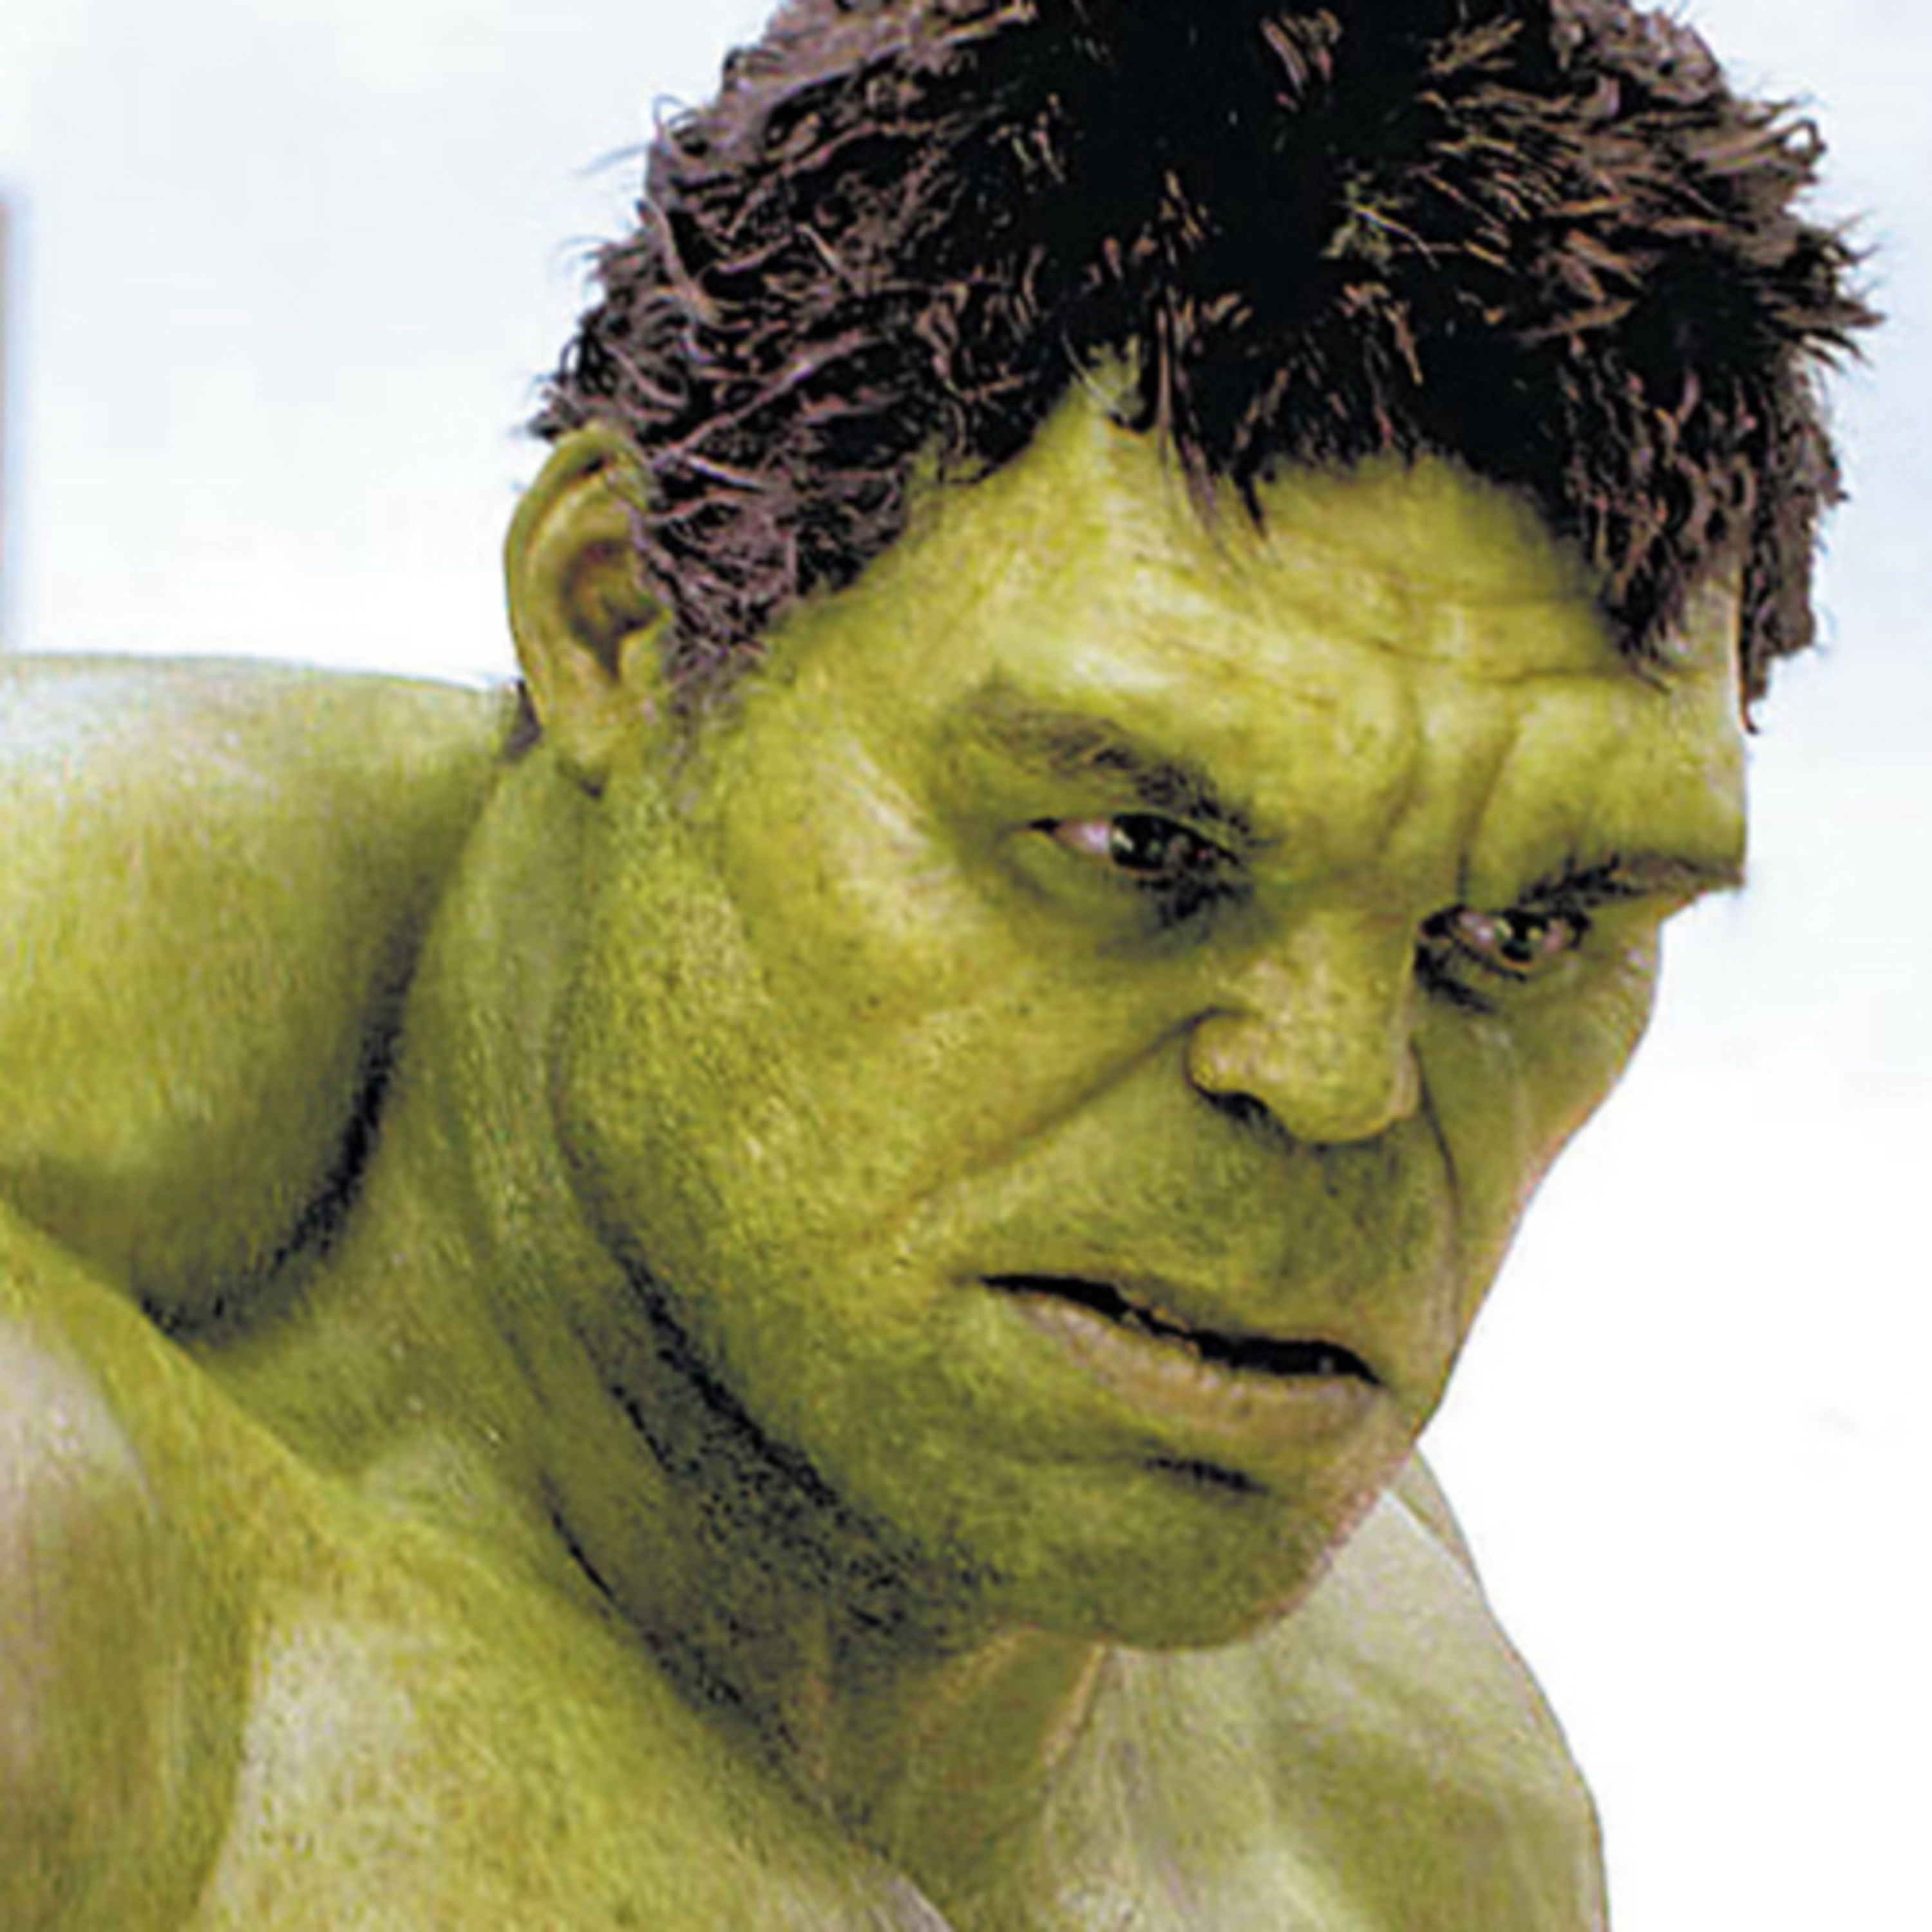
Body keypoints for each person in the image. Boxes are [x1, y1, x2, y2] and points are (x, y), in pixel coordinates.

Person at [0, 1, 1868, 1925]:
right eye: (1137, 847)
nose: (1336, 1084)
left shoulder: (1417, 1820)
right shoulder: (83, 1597)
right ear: (623, 620)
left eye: (1522, 934)